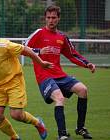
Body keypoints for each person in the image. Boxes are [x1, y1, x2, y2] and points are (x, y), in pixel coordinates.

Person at [24, 5, 96, 140]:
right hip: (44, 77)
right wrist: (39, 51)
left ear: (58, 19)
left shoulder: (62, 37)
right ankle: (62, 135)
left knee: (83, 90)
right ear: (45, 18)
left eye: (54, 18)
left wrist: (87, 64)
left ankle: (80, 128)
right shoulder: (39, 33)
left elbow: (72, 55)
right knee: (59, 98)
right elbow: (23, 48)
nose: (51, 20)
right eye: (48, 17)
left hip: (60, 75)